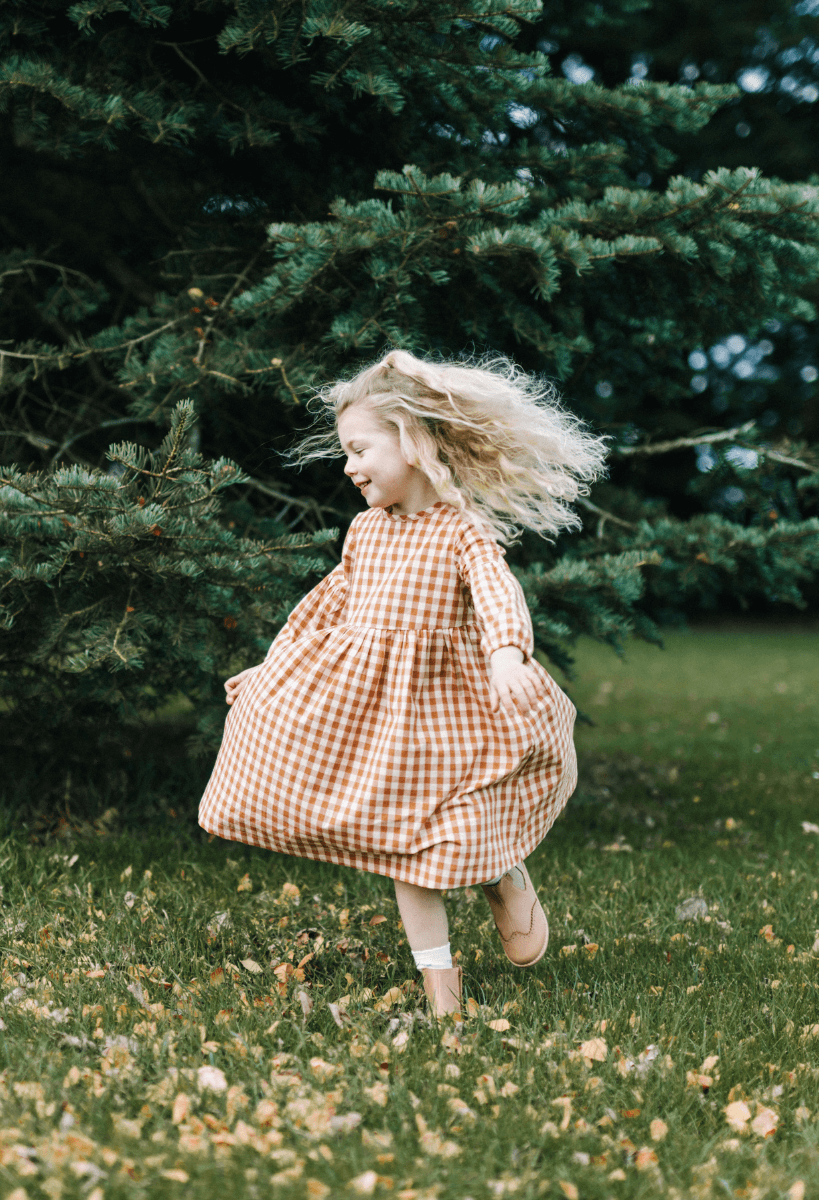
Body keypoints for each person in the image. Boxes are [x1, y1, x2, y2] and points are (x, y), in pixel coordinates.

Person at [199, 349, 607, 1016]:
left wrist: (507, 653)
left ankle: (502, 872)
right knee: (407, 854)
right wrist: (272, 669)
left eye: (360, 449)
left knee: (462, 825)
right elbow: (328, 606)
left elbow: (499, 593)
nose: (348, 466)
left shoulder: (460, 530)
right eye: (345, 453)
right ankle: (440, 989)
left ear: (413, 442)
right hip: (382, 722)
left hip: (452, 713)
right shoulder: (364, 533)